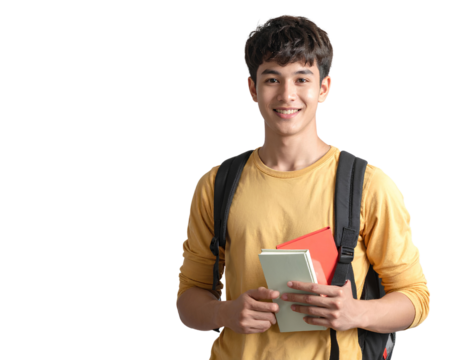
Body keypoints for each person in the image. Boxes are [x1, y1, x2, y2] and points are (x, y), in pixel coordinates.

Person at [176, 12, 430, 360]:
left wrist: (356, 312)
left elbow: (416, 299)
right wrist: (225, 313)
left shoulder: (368, 185)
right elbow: (189, 301)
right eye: (272, 79)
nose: (286, 94)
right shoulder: (217, 184)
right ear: (252, 88)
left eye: (301, 78)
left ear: (324, 88)